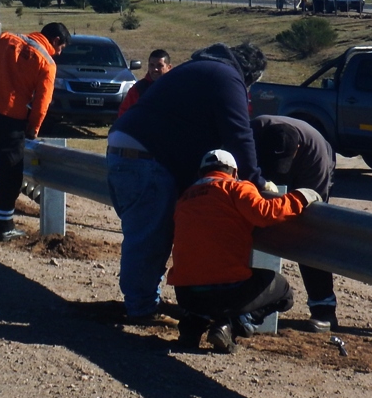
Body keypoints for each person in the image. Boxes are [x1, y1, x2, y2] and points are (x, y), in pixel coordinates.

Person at [108, 42, 271, 323]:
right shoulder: (226, 77)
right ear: (250, 76)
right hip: (146, 158)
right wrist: (255, 183)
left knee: (148, 235)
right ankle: (141, 310)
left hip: (127, 152)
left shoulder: (196, 69)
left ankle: (142, 303)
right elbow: (239, 136)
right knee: (150, 239)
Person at [169, 148, 320, 352]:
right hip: (227, 291)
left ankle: (191, 328)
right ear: (234, 172)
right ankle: (229, 326)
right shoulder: (235, 187)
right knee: (283, 292)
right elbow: (264, 213)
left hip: (186, 294)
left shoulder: (185, 197)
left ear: (201, 173)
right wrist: (301, 197)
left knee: (203, 285)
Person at [0, 21, 72, 240]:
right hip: (12, 123)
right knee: (10, 174)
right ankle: (4, 225)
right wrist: (33, 128)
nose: (59, 53)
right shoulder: (47, 62)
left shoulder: (9, 39)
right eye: (61, 48)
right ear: (55, 41)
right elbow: (42, 101)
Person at [252, 114, 339, 330]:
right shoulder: (253, 132)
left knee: (309, 233)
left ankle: (324, 309)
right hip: (258, 166)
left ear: (297, 148)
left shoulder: (315, 155)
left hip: (308, 172)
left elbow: (311, 202)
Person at [117, 49, 171, 116]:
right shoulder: (138, 90)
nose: (155, 69)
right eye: (152, 65)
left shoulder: (176, 88)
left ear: (169, 67)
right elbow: (124, 116)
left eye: (159, 65)